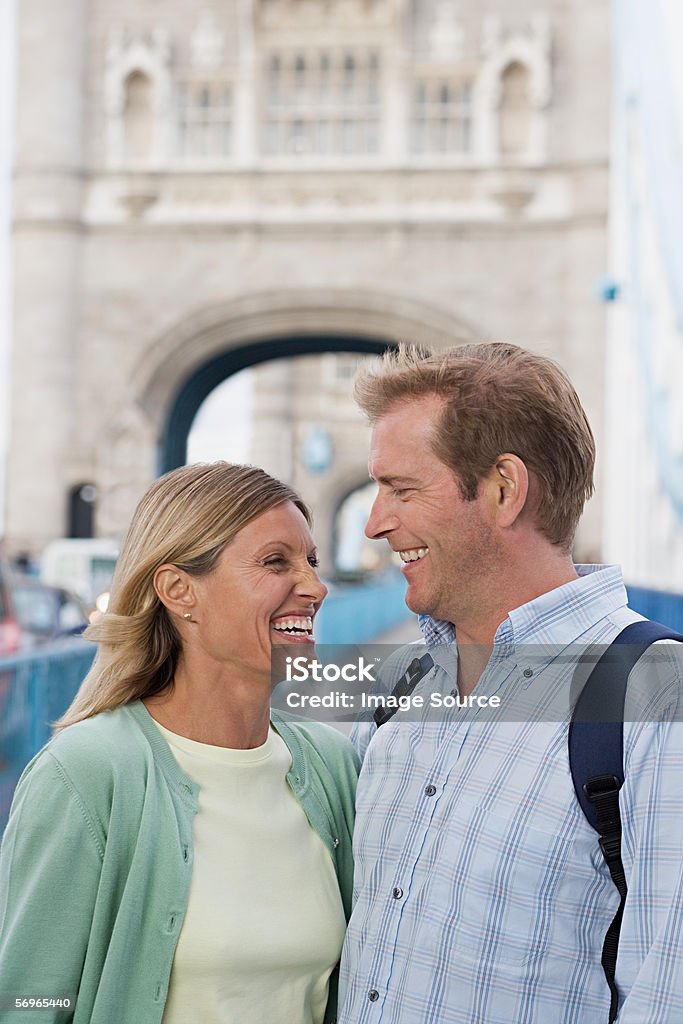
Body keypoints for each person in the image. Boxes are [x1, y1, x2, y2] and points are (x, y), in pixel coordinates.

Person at [337, 343, 683, 1024]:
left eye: (402, 490)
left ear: (502, 489)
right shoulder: (398, 691)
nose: (375, 523)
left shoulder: (654, 699)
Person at [0, 462, 359, 1024]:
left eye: (311, 560)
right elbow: (28, 1000)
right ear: (177, 589)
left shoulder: (335, 767)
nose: (315, 586)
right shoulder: (87, 775)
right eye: (275, 562)